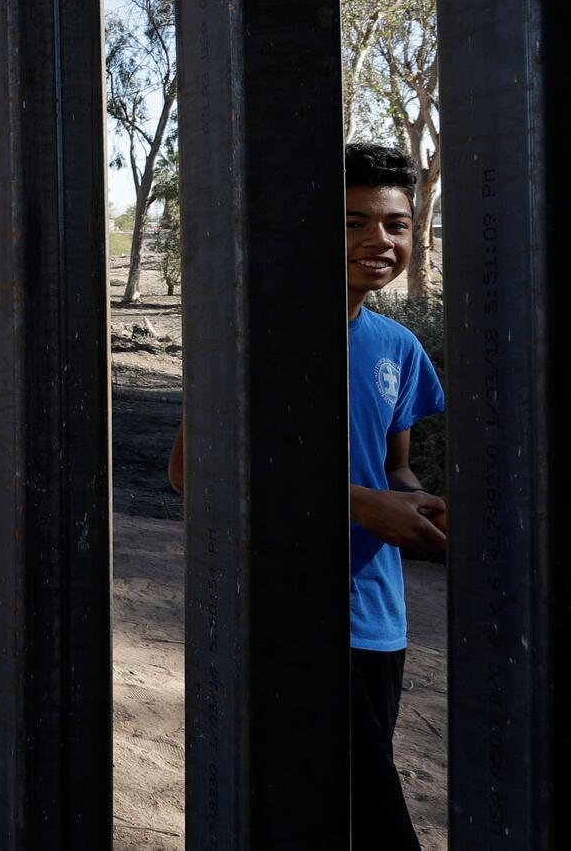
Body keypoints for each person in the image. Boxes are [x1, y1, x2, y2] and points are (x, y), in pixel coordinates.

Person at [165, 142, 445, 850]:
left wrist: (427, 510)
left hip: (378, 617)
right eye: (352, 222)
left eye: (396, 224)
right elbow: (190, 473)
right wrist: (356, 503)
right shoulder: (250, 336)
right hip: (281, 609)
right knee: (371, 821)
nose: (378, 241)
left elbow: (395, 472)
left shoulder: (399, 347)